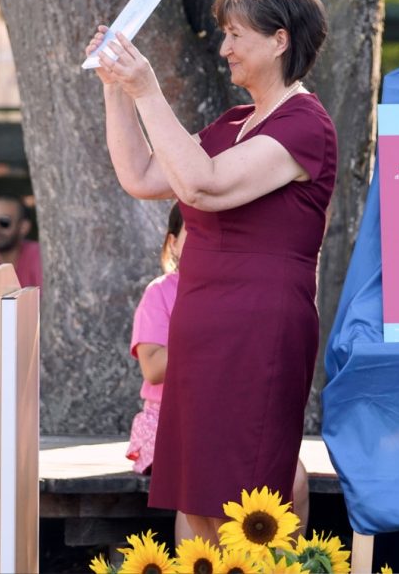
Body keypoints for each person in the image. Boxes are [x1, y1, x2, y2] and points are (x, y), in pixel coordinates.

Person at [87, 0, 337, 541]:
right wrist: (115, 88)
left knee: (247, 500)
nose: (223, 48)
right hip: (200, 327)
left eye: (235, 35)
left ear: (280, 40)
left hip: (259, 328)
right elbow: (143, 174)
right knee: (196, 492)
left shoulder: (305, 125)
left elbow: (202, 187)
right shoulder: (232, 124)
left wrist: (149, 89)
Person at [126, 202, 311, 543]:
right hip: (171, 421)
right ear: (173, 244)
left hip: (235, 420)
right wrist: (214, 340)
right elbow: (152, 367)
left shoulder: (243, 292)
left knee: (294, 478)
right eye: (195, 233)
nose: (208, 242)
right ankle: (201, 564)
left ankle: (283, 565)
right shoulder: (161, 293)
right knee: (198, 483)